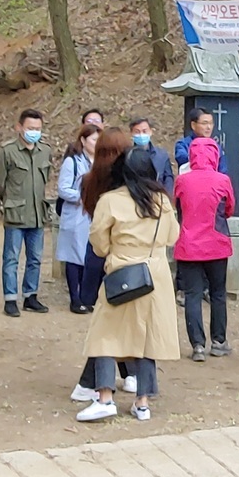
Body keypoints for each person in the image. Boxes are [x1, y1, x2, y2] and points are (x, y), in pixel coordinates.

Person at [76, 149, 181, 422]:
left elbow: (98, 243)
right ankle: (142, 403)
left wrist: (120, 250)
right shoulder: (162, 201)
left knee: (105, 334)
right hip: (154, 274)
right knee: (146, 339)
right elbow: (172, 236)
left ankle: (105, 397)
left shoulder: (110, 200)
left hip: (122, 272)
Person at [69, 128, 137, 399]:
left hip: (97, 251)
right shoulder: (127, 187)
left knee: (111, 317)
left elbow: (89, 212)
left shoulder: (89, 180)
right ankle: (92, 383)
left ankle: (127, 372)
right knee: (112, 320)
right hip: (120, 253)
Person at [174, 137, 236, 362]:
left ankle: (197, 345)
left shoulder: (182, 180)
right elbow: (229, 209)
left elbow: (178, 207)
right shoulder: (223, 180)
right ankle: (219, 341)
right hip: (217, 243)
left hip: (189, 243)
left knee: (192, 294)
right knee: (218, 293)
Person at [0, 109, 52, 317]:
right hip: (16, 214)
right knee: (11, 258)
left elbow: (46, 178)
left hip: (37, 214)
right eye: (30, 128)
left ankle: (30, 296)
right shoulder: (8, 151)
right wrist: (10, 200)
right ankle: (10, 299)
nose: (34, 132)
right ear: (19, 128)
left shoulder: (45, 151)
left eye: (38, 129)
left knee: (35, 257)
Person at [57, 123, 100, 314]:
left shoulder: (100, 163)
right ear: (83, 140)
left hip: (93, 215)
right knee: (73, 257)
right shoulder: (72, 162)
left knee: (89, 256)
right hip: (75, 214)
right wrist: (83, 198)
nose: (96, 143)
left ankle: (86, 296)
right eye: (93, 140)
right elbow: (63, 189)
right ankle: (75, 299)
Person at [174, 107, 229, 175]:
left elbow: (223, 171)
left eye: (211, 123)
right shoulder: (183, 144)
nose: (208, 127)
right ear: (193, 125)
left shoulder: (216, 147)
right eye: (204, 123)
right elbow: (182, 158)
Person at [130, 117, 176, 196]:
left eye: (144, 131)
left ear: (151, 131)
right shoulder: (128, 156)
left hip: (158, 198)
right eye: (137, 132)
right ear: (131, 133)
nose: (141, 135)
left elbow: (168, 178)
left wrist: (168, 197)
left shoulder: (161, 155)